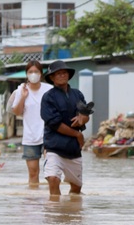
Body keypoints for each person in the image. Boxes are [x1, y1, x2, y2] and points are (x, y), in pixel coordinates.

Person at [40, 59, 90, 197]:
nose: (62, 75)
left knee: (76, 188)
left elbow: (85, 114)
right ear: (52, 77)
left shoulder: (77, 95)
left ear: (68, 75)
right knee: (53, 179)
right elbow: (54, 123)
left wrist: (82, 118)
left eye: (64, 73)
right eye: (58, 73)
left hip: (73, 149)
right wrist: (77, 134)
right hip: (54, 147)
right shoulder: (48, 97)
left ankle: (71, 211)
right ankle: (54, 213)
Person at [9, 60, 52, 187]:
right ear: (26, 74)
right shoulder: (20, 90)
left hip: (49, 135)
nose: (33, 74)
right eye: (30, 72)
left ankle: (53, 202)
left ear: (41, 73)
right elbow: (17, 111)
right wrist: (23, 96)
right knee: (33, 173)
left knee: (51, 171)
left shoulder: (49, 90)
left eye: (36, 71)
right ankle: (34, 202)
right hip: (30, 137)